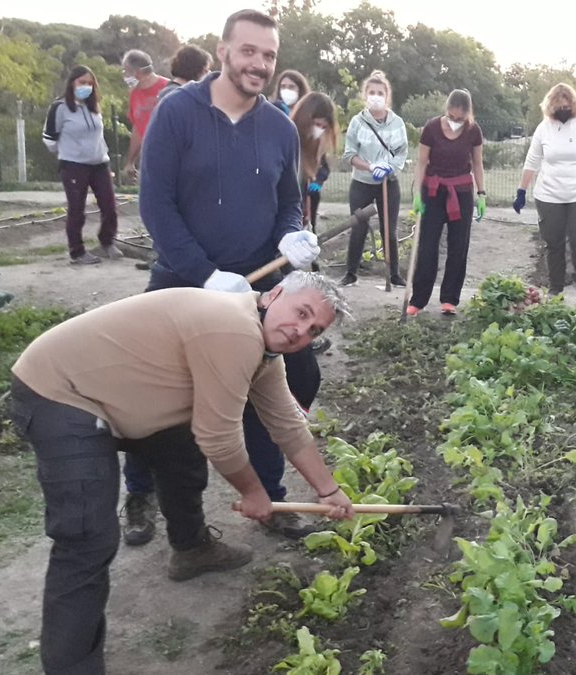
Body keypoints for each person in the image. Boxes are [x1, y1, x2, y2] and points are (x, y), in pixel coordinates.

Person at [10, 271, 356, 675]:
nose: (300, 331)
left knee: (180, 453)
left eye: (313, 329)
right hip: (61, 392)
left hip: (119, 392)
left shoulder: (265, 351)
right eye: (301, 313)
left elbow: (287, 425)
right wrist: (254, 494)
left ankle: (191, 550)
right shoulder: (235, 330)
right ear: (275, 293)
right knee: (86, 538)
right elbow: (220, 437)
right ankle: (71, 668)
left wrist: (329, 491)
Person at [132, 8, 323, 543]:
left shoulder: (279, 130)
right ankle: (141, 494)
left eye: (268, 55)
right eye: (248, 52)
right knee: (161, 399)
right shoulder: (177, 113)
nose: (258, 65)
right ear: (223, 51)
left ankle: (271, 498)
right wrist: (204, 273)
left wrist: (291, 235)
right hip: (183, 281)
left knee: (280, 384)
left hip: (258, 285)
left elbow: (289, 204)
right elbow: (157, 208)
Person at [514, 83, 576, 303]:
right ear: (551, 107)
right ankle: (556, 288)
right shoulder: (544, 128)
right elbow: (532, 161)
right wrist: (521, 191)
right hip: (549, 194)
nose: (563, 110)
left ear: (573, 105)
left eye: (567, 106)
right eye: (558, 106)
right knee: (553, 242)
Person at [407, 89, 485, 316]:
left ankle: (449, 299)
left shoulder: (473, 131)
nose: (455, 122)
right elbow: (421, 162)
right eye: (452, 117)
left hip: (461, 192)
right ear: (446, 110)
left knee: (458, 246)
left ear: (468, 115)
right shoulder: (431, 128)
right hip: (433, 191)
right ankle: (418, 300)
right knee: (428, 246)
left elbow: (478, 164)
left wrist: (481, 194)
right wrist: (417, 194)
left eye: (460, 118)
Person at [42, 65, 121, 266]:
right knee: (77, 210)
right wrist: (67, 152)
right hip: (74, 165)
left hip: (100, 163)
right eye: (82, 83)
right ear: (72, 83)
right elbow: (49, 137)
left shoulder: (93, 106)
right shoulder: (60, 108)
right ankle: (77, 251)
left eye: (90, 84)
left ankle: (107, 241)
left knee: (109, 206)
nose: (86, 87)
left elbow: (98, 134)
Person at [341, 69, 409, 287]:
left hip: (388, 183)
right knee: (358, 226)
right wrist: (371, 167)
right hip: (362, 182)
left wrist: (389, 168)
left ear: (386, 95)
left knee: (388, 229)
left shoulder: (397, 123)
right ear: (365, 95)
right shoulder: (357, 122)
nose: (376, 96)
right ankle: (351, 273)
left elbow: (401, 152)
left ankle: (394, 274)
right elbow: (349, 154)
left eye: (380, 92)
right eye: (372, 92)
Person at [290, 92, 339, 233]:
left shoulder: (315, 146)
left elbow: (323, 167)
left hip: (303, 210)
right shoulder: (289, 142)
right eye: (317, 124)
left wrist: (317, 181)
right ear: (305, 119)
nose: (319, 130)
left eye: (324, 127)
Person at [121, 49, 170, 182]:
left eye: (126, 70)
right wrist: (130, 162)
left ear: (137, 72)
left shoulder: (168, 88)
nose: (124, 75)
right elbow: (138, 128)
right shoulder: (134, 93)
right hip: (150, 157)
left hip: (172, 157)